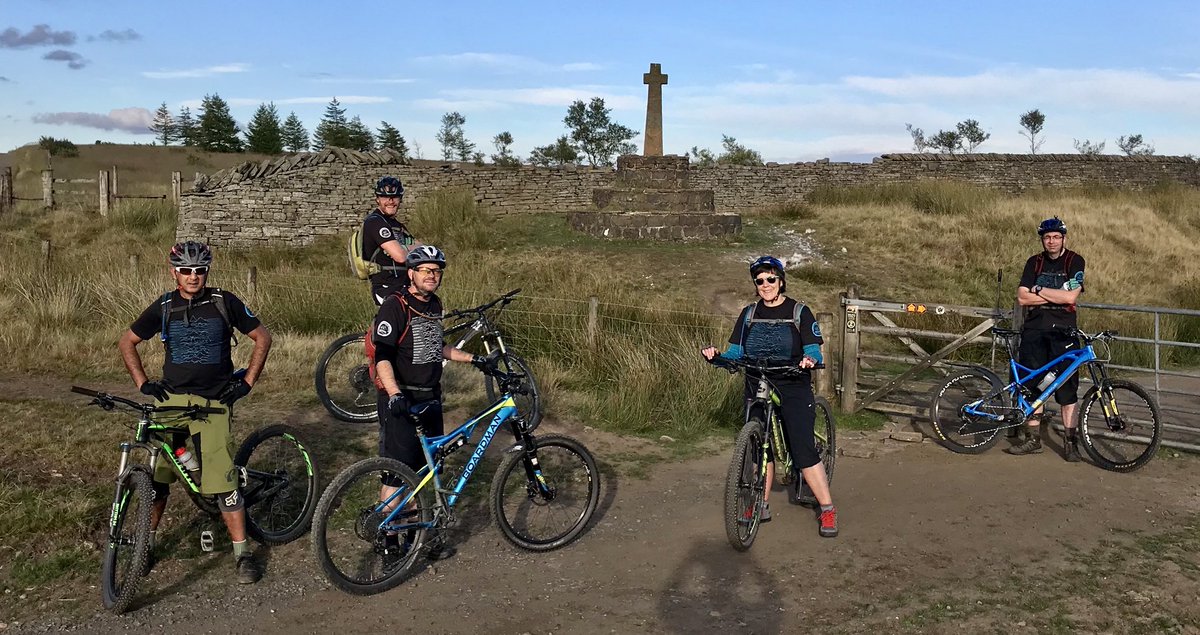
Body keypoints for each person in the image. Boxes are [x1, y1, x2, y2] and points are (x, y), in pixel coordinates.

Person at [118, 240, 273, 584]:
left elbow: (262, 337)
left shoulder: (224, 302)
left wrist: (247, 382)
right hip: (171, 402)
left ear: (207, 271)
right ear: (173, 272)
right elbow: (127, 342)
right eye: (186, 270)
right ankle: (146, 547)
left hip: (213, 403)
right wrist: (143, 384)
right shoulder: (165, 305)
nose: (193, 276)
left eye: (199, 270)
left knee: (224, 483)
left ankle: (242, 554)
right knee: (158, 481)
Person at [370, 245, 494, 562]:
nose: (432, 275)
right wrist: (394, 394)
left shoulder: (434, 305)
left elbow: (438, 346)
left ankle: (417, 537)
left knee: (424, 472)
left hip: (430, 398)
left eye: (436, 271)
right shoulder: (395, 306)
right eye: (425, 270)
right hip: (402, 398)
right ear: (411, 273)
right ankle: (389, 541)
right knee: (397, 474)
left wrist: (476, 359)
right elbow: (383, 355)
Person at [701, 256, 838, 538]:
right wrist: (717, 357)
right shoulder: (749, 314)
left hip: (792, 382)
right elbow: (737, 352)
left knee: (803, 450)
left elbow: (813, 348)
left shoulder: (800, 311)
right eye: (760, 280)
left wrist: (810, 360)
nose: (765, 284)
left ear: (781, 281)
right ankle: (760, 503)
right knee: (758, 447)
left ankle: (827, 508)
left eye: (770, 279)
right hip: (757, 381)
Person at [1008, 216, 1086, 460]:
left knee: (1067, 389)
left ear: (1063, 238)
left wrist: (1039, 290)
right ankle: (1033, 439)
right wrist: (1056, 294)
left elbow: (1070, 298)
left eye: (1056, 237)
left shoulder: (1075, 261)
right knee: (1032, 384)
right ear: (1042, 240)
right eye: (1047, 237)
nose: (1051, 241)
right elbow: (1022, 297)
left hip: (1064, 332)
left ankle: (1070, 443)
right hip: (1035, 330)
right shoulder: (1034, 262)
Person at [362, 176, 418, 306]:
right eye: (385, 197)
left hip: (404, 285)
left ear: (400, 199)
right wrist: (407, 249)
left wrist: (405, 248)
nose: (390, 201)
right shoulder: (375, 222)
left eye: (395, 197)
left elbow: (420, 246)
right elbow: (400, 256)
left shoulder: (396, 225)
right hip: (386, 287)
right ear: (377, 199)